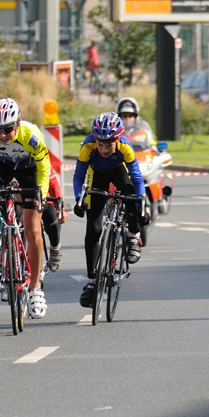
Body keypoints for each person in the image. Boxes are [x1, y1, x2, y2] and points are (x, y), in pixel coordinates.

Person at [0, 98, 51, 319]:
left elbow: (45, 168)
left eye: (7, 129)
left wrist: (41, 195)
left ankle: (35, 288)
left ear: (18, 123)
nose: (3, 135)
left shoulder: (30, 135)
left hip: (30, 169)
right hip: (3, 165)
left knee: (32, 228)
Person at [72, 112, 146, 309]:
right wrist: (79, 200)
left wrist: (141, 207)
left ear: (118, 139)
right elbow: (79, 176)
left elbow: (137, 178)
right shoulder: (87, 146)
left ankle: (133, 235)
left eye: (109, 145)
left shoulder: (125, 147)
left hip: (118, 172)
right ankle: (91, 280)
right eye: (101, 144)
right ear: (95, 139)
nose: (104, 149)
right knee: (93, 229)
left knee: (129, 193)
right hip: (96, 176)